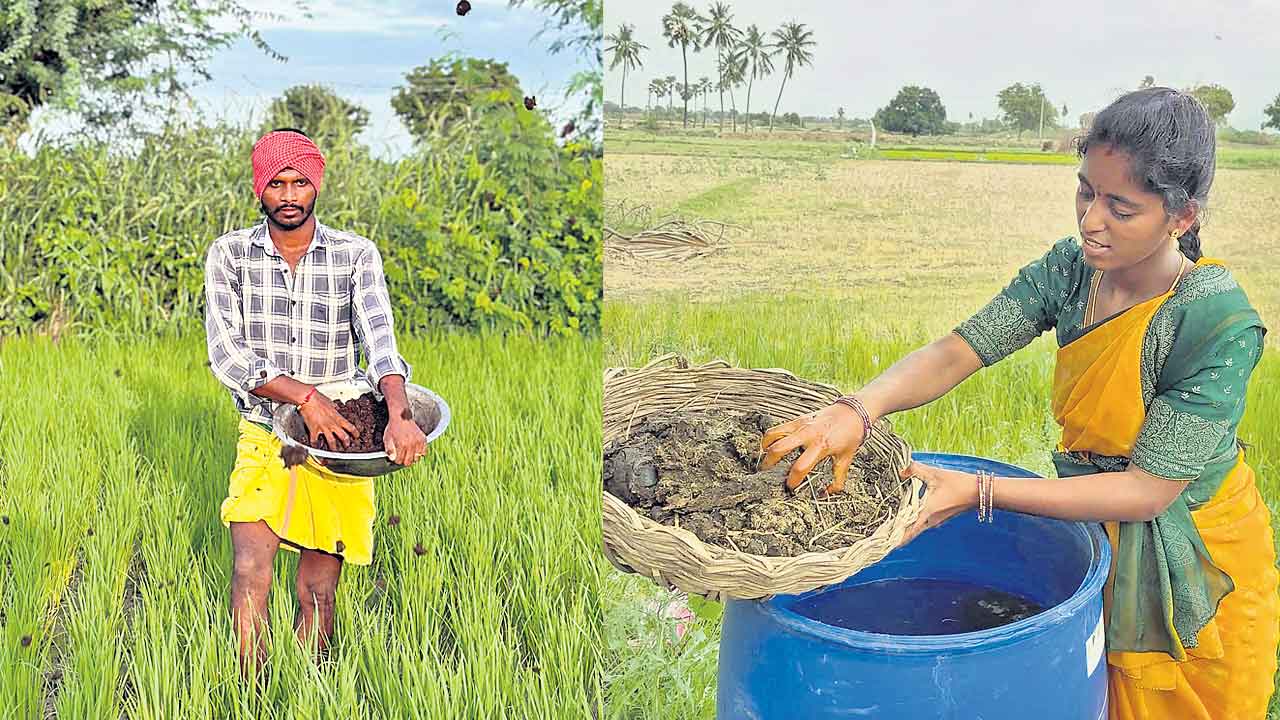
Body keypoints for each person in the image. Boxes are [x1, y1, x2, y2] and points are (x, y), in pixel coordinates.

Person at [760, 88, 1278, 719]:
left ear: (1181, 217)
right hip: (1098, 526)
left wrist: (979, 491)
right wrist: (858, 410)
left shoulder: (1213, 320)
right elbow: (961, 350)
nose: (1091, 220)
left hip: (1195, 565)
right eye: (1086, 191)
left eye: (1121, 207)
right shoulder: (1073, 270)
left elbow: (1147, 491)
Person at [204, 128, 428, 676]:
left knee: (319, 583)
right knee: (250, 566)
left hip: (339, 442)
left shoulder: (355, 255)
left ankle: (309, 688)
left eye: (299, 182)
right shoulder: (230, 255)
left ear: (315, 185)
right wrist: (304, 397)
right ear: (260, 189)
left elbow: (380, 344)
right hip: (266, 431)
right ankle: (249, 690)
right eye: (276, 183)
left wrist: (398, 417)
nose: (288, 194)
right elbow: (227, 356)